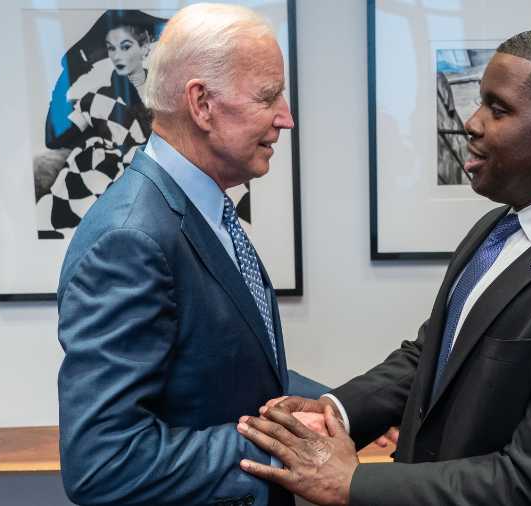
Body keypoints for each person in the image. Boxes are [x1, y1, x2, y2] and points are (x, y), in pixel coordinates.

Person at [236, 29, 531, 505]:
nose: (472, 122)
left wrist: (352, 484)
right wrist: (338, 412)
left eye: (499, 108)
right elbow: (432, 357)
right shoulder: (497, 229)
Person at [56, 4, 323, 505]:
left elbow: (224, 369)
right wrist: (281, 448)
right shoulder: (130, 238)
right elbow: (103, 462)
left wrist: (333, 406)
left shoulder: (202, 208)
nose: (285, 117)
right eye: (269, 96)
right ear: (201, 104)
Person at [36, 13, 160, 238]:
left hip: (157, 195)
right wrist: (70, 70)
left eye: (125, 46)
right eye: (111, 48)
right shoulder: (96, 100)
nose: (117, 55)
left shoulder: (168, 97)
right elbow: (55, 137)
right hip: (106, 191)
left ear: (144, 47)